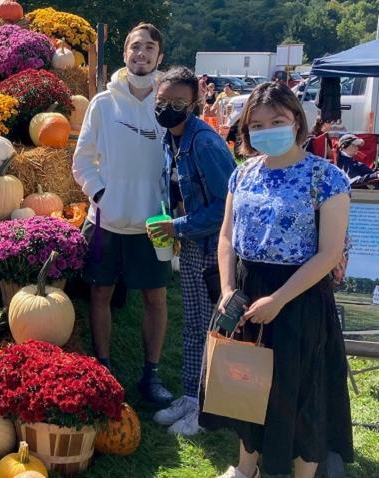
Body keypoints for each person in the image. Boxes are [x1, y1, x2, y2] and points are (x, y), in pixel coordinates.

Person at [200, 82, 354, 478]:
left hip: (299, 296)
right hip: (248, 290)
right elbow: (227, 236)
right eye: (258, 123)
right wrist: (229, 287)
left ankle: (302, 472)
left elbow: (329, 253)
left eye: (278, 121)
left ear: (297, 122)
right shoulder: (244, 174)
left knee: (301, 389)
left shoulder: (327, 178)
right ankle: (246, 465)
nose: (267, 129)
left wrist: (280, 300)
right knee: (245, 381)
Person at [72, 22, 173, 406]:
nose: (141, 54)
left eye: (149, 47)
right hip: (107, 219)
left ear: (159, 57)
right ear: (125, 54)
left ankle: (151, 376)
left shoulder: (168, 105)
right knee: (100, 292)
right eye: (134, 47)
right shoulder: (102, 103)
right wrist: (103, 195)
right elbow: (82, 161)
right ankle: (103, 368)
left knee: (156, 297)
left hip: (156, 222)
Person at [149, 67, 236, 436]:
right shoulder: (172, 138)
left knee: (209, 329)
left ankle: (207, 407)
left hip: (211, 248)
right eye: (162, 101)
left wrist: (177, 227)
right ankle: (189, 393)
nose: (168, 108)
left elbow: (226, 205)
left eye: (178, 102)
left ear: (195, 104)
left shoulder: (204, 143)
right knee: (193, 324)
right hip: (193, 243)